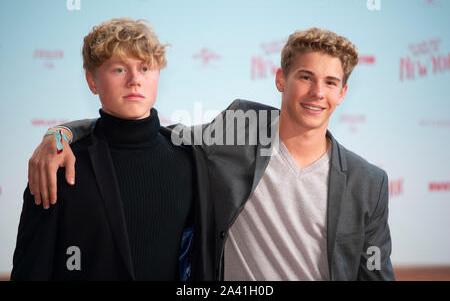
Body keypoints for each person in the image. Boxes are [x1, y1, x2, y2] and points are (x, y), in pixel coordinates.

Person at [25, 27, 394, 280]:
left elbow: (374, 272)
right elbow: (140, 130)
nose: (317, 92)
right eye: (305, 77)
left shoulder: (368, 181)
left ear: (343, 93)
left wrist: (59, 134)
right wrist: (59, 135)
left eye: (330, 82)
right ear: (281, 79)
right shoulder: (235, 133)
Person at [11, 18, 214, 280]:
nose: (134, 80)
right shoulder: (59, 164)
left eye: (144, 68)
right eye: (119, 69)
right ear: (92, 81)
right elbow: (32, 270)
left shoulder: (191, 159)